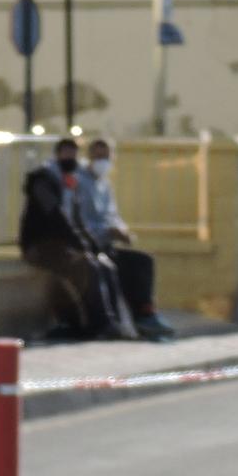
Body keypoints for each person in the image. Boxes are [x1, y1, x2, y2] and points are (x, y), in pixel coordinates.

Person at [19, 144, 134, 341]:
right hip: (39, 246)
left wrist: (90, 245)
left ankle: (113, 322)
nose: (70, 159)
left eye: (73, 155)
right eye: (65, 155)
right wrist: (79, 244)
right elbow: (56, 217)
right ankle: (97, 323)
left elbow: (77, 219)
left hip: (63, 246)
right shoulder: (43, 180)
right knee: (85, 265)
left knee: (104, 265)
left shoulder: (71, 182)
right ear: (57, 156)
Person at [78, 138, 177, 342]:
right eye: (97, 156)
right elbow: (81, 220)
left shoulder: (105, 185)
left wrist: (122, 231)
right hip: (89, 245)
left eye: (105, 156)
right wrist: (107, 231)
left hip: (107, 243)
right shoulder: (79, 182)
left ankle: (145, 315)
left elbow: (113, 215)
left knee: (142, 262)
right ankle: (115, 322)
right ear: (89, 157)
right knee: (110, 269)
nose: (101, 161)